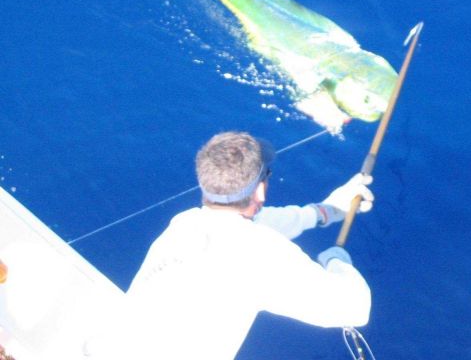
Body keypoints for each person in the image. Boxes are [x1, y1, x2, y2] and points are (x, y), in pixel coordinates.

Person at [85, 131, 374, 360]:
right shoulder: (261, 254)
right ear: (261, 188)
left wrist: (327, 210)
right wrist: (337, 262)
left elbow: (253, 226)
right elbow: (355, 309)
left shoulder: (184, 224)